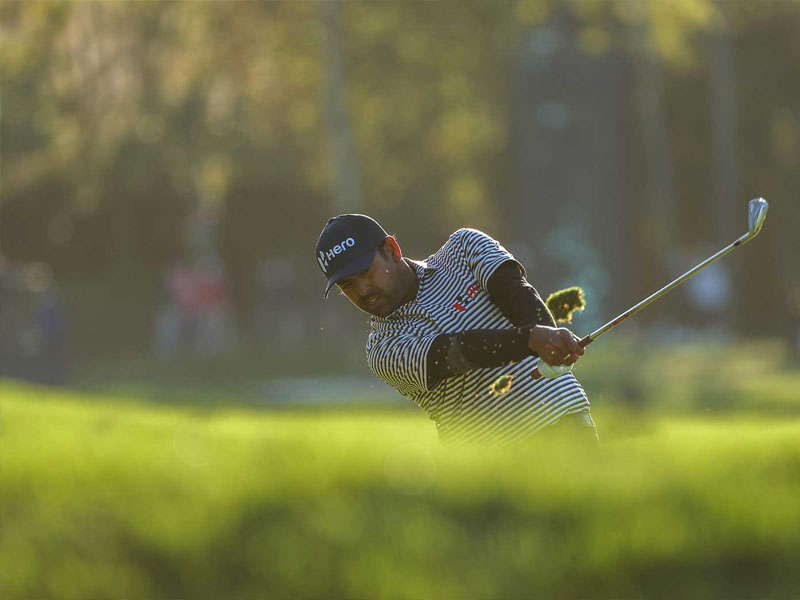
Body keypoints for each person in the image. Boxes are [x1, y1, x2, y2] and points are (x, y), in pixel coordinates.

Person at [315, 214, 597, 446]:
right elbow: (459, 352)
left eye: (366, 271)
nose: (363, 290)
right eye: (347, 285)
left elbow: (516, 295)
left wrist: (548, 337)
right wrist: (534, 340)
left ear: (391, 250)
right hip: (490, 464)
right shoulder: (382, 349)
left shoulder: (463, 248)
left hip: (565, 424)